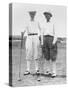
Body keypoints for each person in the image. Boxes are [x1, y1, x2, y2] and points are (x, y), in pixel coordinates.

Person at [40, 12, 57, 77]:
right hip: (45, 39)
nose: (46, 16)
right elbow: (41, 34)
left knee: (53, 56)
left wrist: (54, 42)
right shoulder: (43, 24)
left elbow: (56, 33)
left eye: (48, 15)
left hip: (51, 39)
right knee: (46, 56)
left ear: (50, 16)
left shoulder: (53, 23)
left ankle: (54, 72)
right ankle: (48, 71)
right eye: (45, 15)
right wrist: (42, 43)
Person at [23, 11, 40, 75]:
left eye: (33, 14)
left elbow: (41, 30)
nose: (32, 15)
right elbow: (24, 29)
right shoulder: (27, 22)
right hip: (29, 37)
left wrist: (41, 38)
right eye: (31, 14)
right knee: (28, 52)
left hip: (36, 37)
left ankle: (37, 69)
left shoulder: (37, 22)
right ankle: (28, 70)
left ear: (35, 15)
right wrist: (22, 32)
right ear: (29, 14)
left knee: (36, 52)